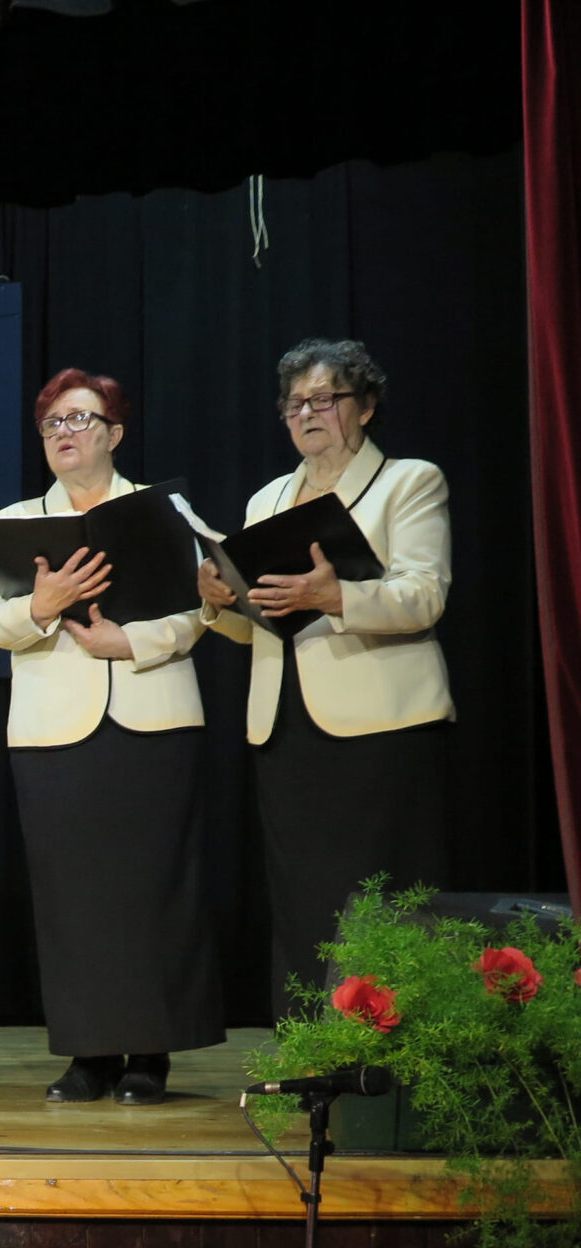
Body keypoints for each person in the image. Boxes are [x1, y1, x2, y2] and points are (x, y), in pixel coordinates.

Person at [0, 370, 223, 1105]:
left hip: (152, 716)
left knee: (153, 887)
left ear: (114, 433)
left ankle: (150, 1051)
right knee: (71, 895)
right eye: (52, 422)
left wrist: (133, 641)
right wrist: (40, 606)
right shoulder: (17, 520)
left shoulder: (161, 509)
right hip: (54, 731)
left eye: (80, 419)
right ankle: (88, 1052)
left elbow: (202, 607)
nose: (64, 433)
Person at [198, 338, 453, 1017]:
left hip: (381, 727)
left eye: (324, 399)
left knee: (380, 901)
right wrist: (220, 602)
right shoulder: (267, 498)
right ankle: (308, 1048)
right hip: (287, 728)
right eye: (294, 404)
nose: (307, 413)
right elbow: (259, 624)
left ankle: (387, 1056)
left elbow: (425, 596)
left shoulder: (409, 482)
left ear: (364, 406)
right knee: (301, 899)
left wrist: (336, 596)